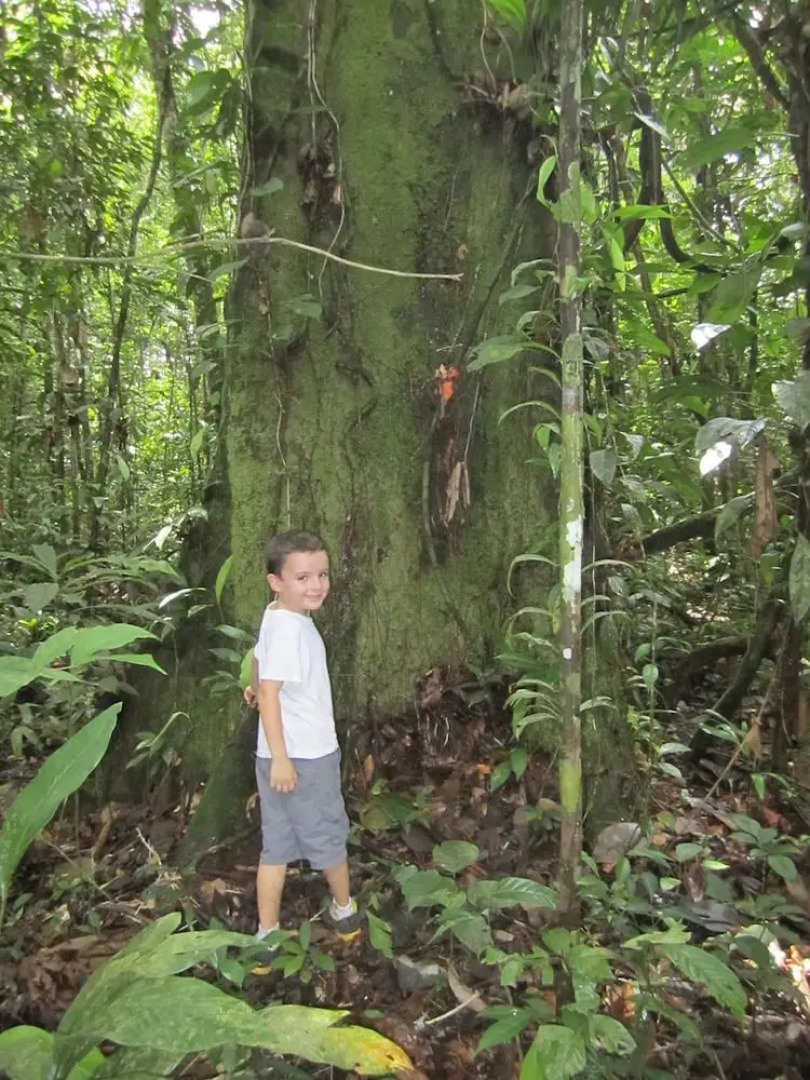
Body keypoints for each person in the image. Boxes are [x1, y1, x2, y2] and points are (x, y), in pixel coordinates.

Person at [244, 529, 361, 943]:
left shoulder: (276, 614)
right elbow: (272, 694)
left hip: (275, 757)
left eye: (322, 575)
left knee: (275, 845)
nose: (316, 585)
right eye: (303, 577)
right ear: (276, 581)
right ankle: (345, 911)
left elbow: (261, 663)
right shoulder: (293, 629)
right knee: (328, 836)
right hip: (304, 757)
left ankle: (267, 933)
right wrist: (282, 757)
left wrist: (255, 685)